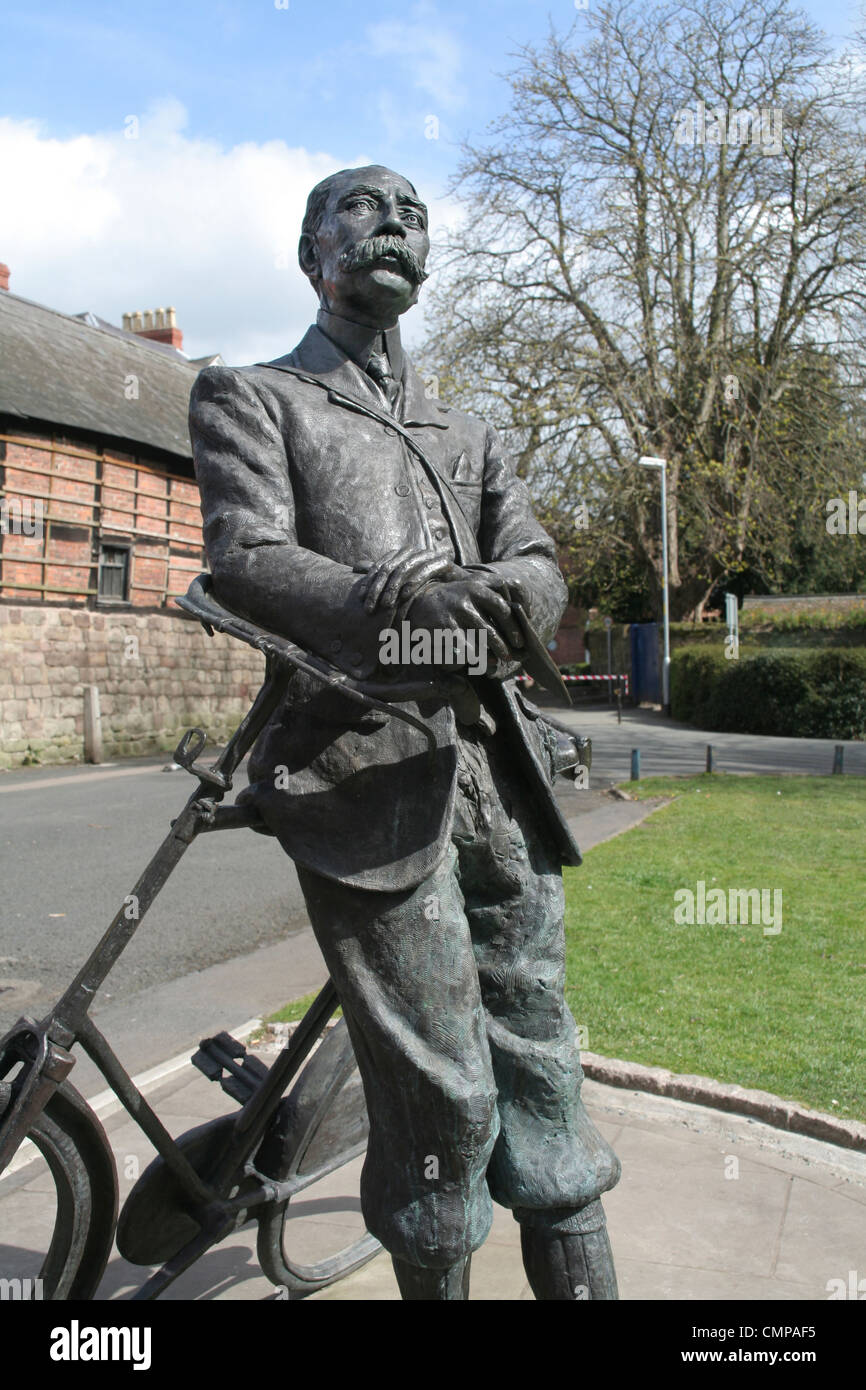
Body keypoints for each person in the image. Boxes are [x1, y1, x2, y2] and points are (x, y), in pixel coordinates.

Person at [188, 165, 621, 1300]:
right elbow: (246, 557)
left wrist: (491, 595)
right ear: (309, 252)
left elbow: (535, 564)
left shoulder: (468, 429)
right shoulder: (254, 396)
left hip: (495, 774)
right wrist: (393, 598)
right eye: (362, 207)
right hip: (360, 774)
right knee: (446, 1101)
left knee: (543, 1072)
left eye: (412, 213)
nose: (393, 225)